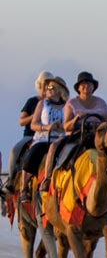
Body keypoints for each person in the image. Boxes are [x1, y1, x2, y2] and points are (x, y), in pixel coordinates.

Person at [38, 71, 107, 188]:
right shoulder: (71, 103)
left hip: (97, 136)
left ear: (93, 87)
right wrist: (76, 118)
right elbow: (66, 126)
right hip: (77, 136)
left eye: (89, 84)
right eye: (83, 84)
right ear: (78, 88)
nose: (86, 86)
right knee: (54, 146)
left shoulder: (101, 103)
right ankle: (48, 178)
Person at [18, 75, 68, 203]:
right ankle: (24, 187)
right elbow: (33, 124)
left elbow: (69, 123)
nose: (48, 89)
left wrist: (62, 128)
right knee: (33, 153)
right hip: (43, 138)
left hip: (61, 138)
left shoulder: (68, 105)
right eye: (48, 87)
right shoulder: (42, 104)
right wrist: (47, 127)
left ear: (59, 89)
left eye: (51, 87)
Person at [2, 71, 53, 196]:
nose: (46, 87)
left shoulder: (54, 103)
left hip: (49, 136)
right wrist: (35, 116)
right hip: (31, 134)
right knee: (15, 150)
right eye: (44, 84)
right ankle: (11, 180)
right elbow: (21, 121)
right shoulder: (32, 102)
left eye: (49, 84)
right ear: (39, 85)